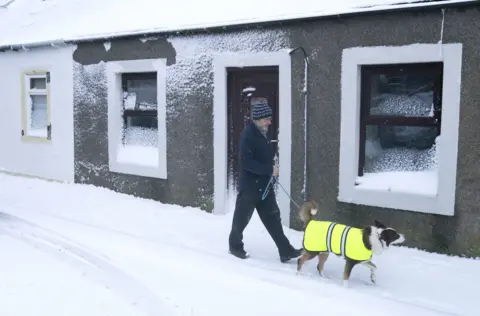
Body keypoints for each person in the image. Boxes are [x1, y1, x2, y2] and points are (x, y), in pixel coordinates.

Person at [228, 100, 302, 263]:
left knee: (273, 217)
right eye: (266, 119)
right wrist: (269, 170)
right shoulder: (248, 136)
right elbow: (247, 163)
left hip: (264, 186)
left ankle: (285, 250)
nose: (269, 122)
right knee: (241, 219)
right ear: (258, 119)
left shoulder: (262, 133)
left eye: (269, 118)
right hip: (250, 187)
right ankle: (235, 246)